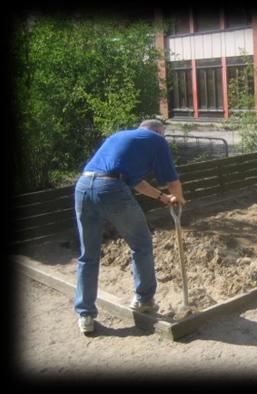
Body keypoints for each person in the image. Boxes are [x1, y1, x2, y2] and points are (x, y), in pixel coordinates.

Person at [74, 119, 186, 334]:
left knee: (87, 255)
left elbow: (136, 182)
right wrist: (179, 198)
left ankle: (85, 315)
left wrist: (162, 197)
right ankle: (144, 300)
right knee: (141, 245)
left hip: (83, 187)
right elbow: (172, 179)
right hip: (110, 189)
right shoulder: (157, 140)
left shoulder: (120, 137)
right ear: (158, 131)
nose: (162, 139)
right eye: (162, 135)